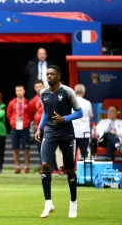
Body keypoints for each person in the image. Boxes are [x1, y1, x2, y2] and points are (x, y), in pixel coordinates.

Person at [34, 65, 83, 218]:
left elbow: (79, 112)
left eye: (52, 74)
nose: (49, 76)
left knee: (69, 170)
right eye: (47, 74)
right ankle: (48, 203)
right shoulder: (43, 93)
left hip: (66, 133)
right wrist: (40, 128)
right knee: (45, 164)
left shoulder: (68, 91)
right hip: (49, 132)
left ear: (58, 76)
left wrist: (65, 118)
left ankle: (73, 203)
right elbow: (45, 113)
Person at [7, 85, 33, 174]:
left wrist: (26, 121)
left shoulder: (28, 103)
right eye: (17, 90)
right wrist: (12, 121)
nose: (19, 92)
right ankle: (17, 167)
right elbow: (9, 114)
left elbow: (31, 114)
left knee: (26, 148)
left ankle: (26, 166)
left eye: (20, 90)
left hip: (24, 127)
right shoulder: (12, 103)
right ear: (15, 92)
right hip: (15, 127)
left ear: (24, 91)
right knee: (15, 148)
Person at [72, 84, 94, 159]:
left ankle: (70, 170)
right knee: (84, 154)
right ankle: (84, 170)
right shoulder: (87, 103)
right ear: (84, 92)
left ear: (74, 92)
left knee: (72, 154)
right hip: (84, 133)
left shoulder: (70, 102)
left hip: (73, 132)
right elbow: (90, 115)